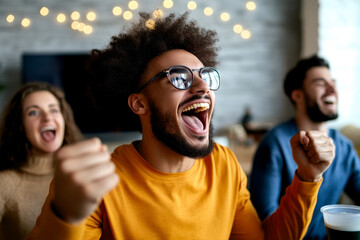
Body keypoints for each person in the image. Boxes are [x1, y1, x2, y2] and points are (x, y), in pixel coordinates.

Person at [27, 13, 335, 240]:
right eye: (178, 76)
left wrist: (307, 179)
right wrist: (65, 215)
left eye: (205, 74)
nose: (202, 85)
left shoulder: (223, 165)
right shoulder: (98, 183)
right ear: (140, 104)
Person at [249, 55, 360, 240]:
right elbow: (265, 220)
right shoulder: (274, 143)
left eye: (333, 82)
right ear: (297, 95)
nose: (332, 88)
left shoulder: (345, 148)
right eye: (320, 83)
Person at [0, 82, 83, 240]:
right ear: (19, 125)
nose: (47, 117)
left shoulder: (80, 175)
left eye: (53, 110)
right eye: (33, 113)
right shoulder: (3, 184)